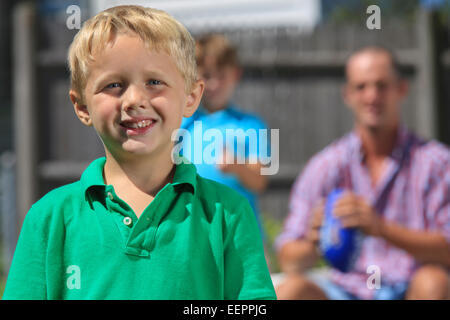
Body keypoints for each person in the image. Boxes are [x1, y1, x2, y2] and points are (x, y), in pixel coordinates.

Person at [2, 5, 276, 300]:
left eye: (154, 82)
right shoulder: (49, 218)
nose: (134, 99)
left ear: (191, 97)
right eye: (114, 84)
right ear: (82, 106)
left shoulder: (230, 215)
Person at [275, 46, 450, 300]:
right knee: (291, 292)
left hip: (410, 287)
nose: (372, 96)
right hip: (345, 290)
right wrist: (313, 241)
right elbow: (288, 259)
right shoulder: (326, 165)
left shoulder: (436, 163)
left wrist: (382, 228)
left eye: (381, 85)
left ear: (402, 89)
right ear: (347, 95)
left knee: (434, 282)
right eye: (361, 87)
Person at [179, 34, 269, 238]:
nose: (214, 84)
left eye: (222, 76)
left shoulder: (251, 125)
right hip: (195, 236)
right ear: (194, 78)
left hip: (241, 234)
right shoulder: (182, 125)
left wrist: (237, 167)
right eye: (207, 76)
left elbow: (260, 182)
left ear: (236, 74)